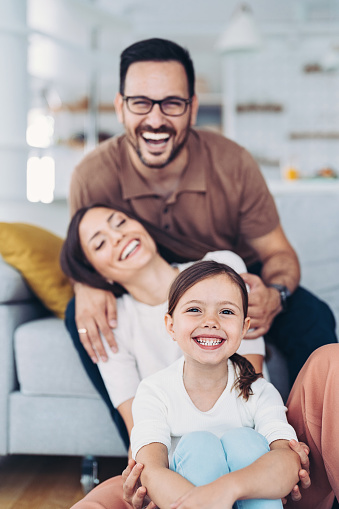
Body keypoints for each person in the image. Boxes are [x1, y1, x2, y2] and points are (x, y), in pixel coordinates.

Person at [65, 38, 337, 419]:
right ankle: (141, 452)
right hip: (152, 276)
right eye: (140, 103)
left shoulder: (233, 163)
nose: (155, 120)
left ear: (192, 109)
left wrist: (275, 295)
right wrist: (86, 285)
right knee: (81, 312)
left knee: (312, 314)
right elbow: (86, 254)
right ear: (120, 108)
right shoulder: (92, 175)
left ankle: (310, 451)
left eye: (172, 103)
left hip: (234, 273)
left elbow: (279, 254)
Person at [61, 204, 266, 446]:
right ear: (95, 273)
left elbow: (249, 382)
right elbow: (138, 427)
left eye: (120, 223)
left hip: (244, 437)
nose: (118, 237)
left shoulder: (221, 266)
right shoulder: (110, 321)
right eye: (100, 244)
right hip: (176, 458)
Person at [130, 260, 301, 508]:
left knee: (246, 441)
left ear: (244, 328)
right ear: (171, 325)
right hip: (184, 502)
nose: (211, 321)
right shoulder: (154, 391)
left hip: (244, 496)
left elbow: (288, 460)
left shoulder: (259, 390)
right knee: (199, 444)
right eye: (194, 310)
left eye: (227, 311)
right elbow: (150, 471)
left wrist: (226, 489)